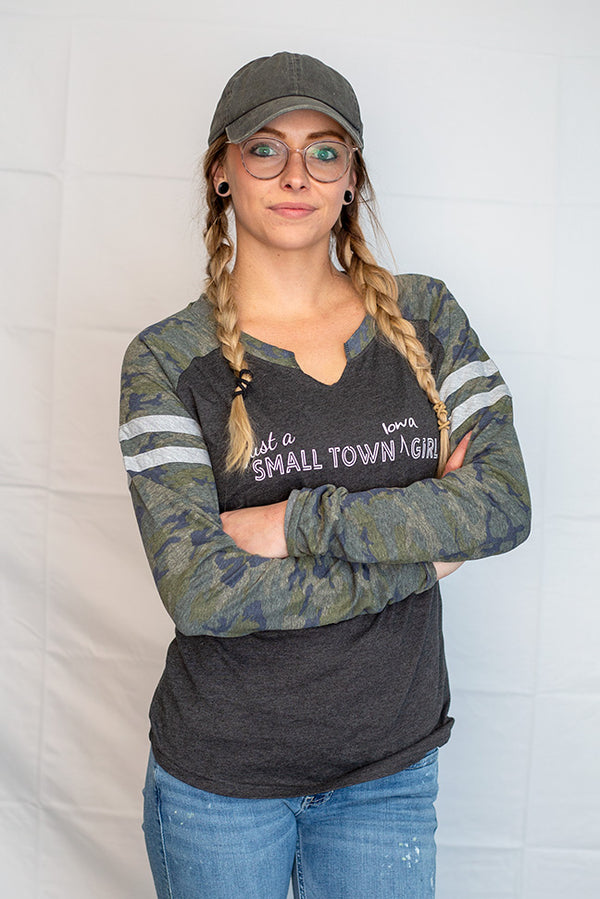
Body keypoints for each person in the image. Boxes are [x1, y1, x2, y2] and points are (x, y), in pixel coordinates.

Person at [119, 51, 531, 899]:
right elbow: (204, 591)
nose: (295, 173)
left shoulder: (426, 318)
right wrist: (421, 552)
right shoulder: (166, 360)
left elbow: (500, 503)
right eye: (265, 148)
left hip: (389, 768)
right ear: (224, 171)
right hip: (222, 781)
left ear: (351, 177)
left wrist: (297, 523)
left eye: (324, 149)